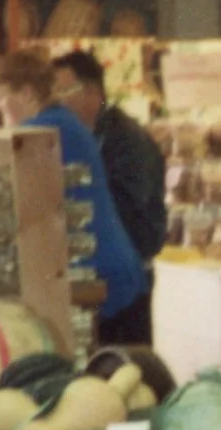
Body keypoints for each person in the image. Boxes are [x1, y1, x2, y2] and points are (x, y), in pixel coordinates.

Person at [0, 48, 149, 345]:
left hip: (104, 281)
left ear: (26, 93)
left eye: (0, 97)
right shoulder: (63, 122)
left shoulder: (43, 132)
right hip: (114, 274)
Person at [51, 49, 169, 271]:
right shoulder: (89, 135)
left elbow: (124, 207)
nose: (57, 103)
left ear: (92, 91)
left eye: (63, 92)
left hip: (129, 266)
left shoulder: (126, 139)